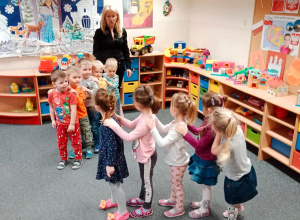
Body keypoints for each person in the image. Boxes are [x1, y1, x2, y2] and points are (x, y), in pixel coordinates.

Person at [103, 85, 161, 218]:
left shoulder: (145, 122)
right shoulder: (144, 114)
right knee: (144, 178)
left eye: (134, 100)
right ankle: (142, 198)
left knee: (147, 181)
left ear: (139, 104)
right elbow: (130, 125)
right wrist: (117, 117)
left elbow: (128, 137)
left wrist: (113, 125)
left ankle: (147, 207)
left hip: (147, 156)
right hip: (144, 154)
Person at [145, 93, 197, 218]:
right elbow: (163, 128)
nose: (169, 108)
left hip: (178, 162)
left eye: (171, 105)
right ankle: (173, 199)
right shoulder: (176, 122)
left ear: (174, 109)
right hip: (175, 160)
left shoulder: (178, 128)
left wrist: (152, 129)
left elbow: (162, 143)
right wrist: (154, 118)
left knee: (177, 185)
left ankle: (179, 208)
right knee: (173, 181)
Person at [175, 92, 227, 218]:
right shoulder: (209, 118)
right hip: (202, 157)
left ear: (208, 109)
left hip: (207, 161)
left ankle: (204, 209)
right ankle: (204, 203)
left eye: (202, 106)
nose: (201, 108)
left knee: (205, 187)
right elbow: (199, 130)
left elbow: (199, 145)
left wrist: (185, 134)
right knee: (204, 186)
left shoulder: (213, 127)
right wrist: (187, 124)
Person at [209, 107, 258, 220]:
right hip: (248, 170)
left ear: (220, 130)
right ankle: (238, 207)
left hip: (235, 180)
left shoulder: (229, 145)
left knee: (231, 202)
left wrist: (218, 135)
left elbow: (213, 150)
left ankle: (232, 216)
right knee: (237, 198)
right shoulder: (238, 128)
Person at [94, 89, 129, 220]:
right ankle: (113, 200)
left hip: (112, 160)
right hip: (111, 157)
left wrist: (109, 165)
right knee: (111, 183)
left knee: (115, 185)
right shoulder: (111, 118)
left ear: (97, 107)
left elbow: (112, 146)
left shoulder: (107, 124)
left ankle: (123, 211)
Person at [48, 70, 82, 170]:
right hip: (60, 123)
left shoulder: (71, 94)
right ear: (54, 84)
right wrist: (53, 120)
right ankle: (63, 159)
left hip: (72, 123)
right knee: (61, 142)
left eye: (66, 81)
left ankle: (78, 158)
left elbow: (74, 110)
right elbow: (51, 107)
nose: (65, 84)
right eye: (61, 82)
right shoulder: (52, 94)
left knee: (76, 142)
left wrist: (72, 124)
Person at [93, 5, 132, 89]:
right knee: (105, 91)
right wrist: (104, 66)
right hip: (105, 69)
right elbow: (95, 52)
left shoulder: (122, 31)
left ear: (117, 17)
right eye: (108, 16)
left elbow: (125, 50)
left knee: (116, 89)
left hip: (119, 66)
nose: (111, 19)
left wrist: (128, 67)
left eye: (113, 16)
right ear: (104, 17)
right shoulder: (99, 32)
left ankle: (116, 103)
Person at [66, 66, 93, 159]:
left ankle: (89, 148)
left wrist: (75, 94)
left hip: (82, 115)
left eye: (79, 77)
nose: (78, 80)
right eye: (74, 77)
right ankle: (76, 149)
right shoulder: (65, 90)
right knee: (73, 134)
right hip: (71, 117)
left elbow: (80, 102)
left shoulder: (81, 89)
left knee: (86, 131)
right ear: (67, 78)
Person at [77, 58, 100, 154]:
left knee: (94, 127)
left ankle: (97, 143)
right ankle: (85, 142)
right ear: (79, 70)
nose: (87, 72)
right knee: (83, 127)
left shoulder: (93, 80)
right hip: (81, 108)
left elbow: (96, 93)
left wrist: (87, 90)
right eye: (85, 69)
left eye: (89, 69)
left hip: (92, 107)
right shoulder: (78, 80)